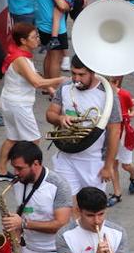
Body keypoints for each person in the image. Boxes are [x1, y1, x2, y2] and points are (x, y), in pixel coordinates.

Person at [0, 23, 66, 180]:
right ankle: (28, 172)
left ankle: (0, 171)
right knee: (33, 139)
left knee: (12, 138)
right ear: (23, 40)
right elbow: (36, 83)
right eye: (34, 37)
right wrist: (60, 79)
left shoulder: (21, 55)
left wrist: (52, 90)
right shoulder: (20, 59)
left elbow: (34, 76)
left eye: (37, 36)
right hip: (18, 105)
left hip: (11, 102)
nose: (37, 40)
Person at [45, 57, 122, 194]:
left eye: (81, 74)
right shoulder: (65, 86)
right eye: (73, 73)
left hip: (93, 159)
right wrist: (60, 118)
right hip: (66, 155)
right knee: (66, 200)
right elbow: (50, 114)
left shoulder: (107, 94)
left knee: (90, 205)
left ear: (92, 72)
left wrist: (108, 166)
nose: (76, 79)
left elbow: (115, 132)